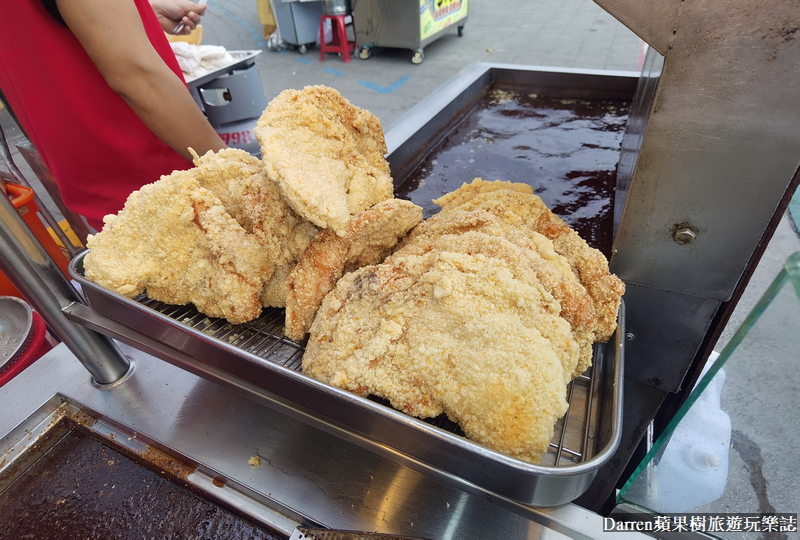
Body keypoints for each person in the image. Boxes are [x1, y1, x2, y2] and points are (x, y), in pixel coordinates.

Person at [0, 0, 227, 231]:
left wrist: (134, 13)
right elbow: (137, 75)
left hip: (102, 190)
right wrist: (229, 168)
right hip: (161, 182)